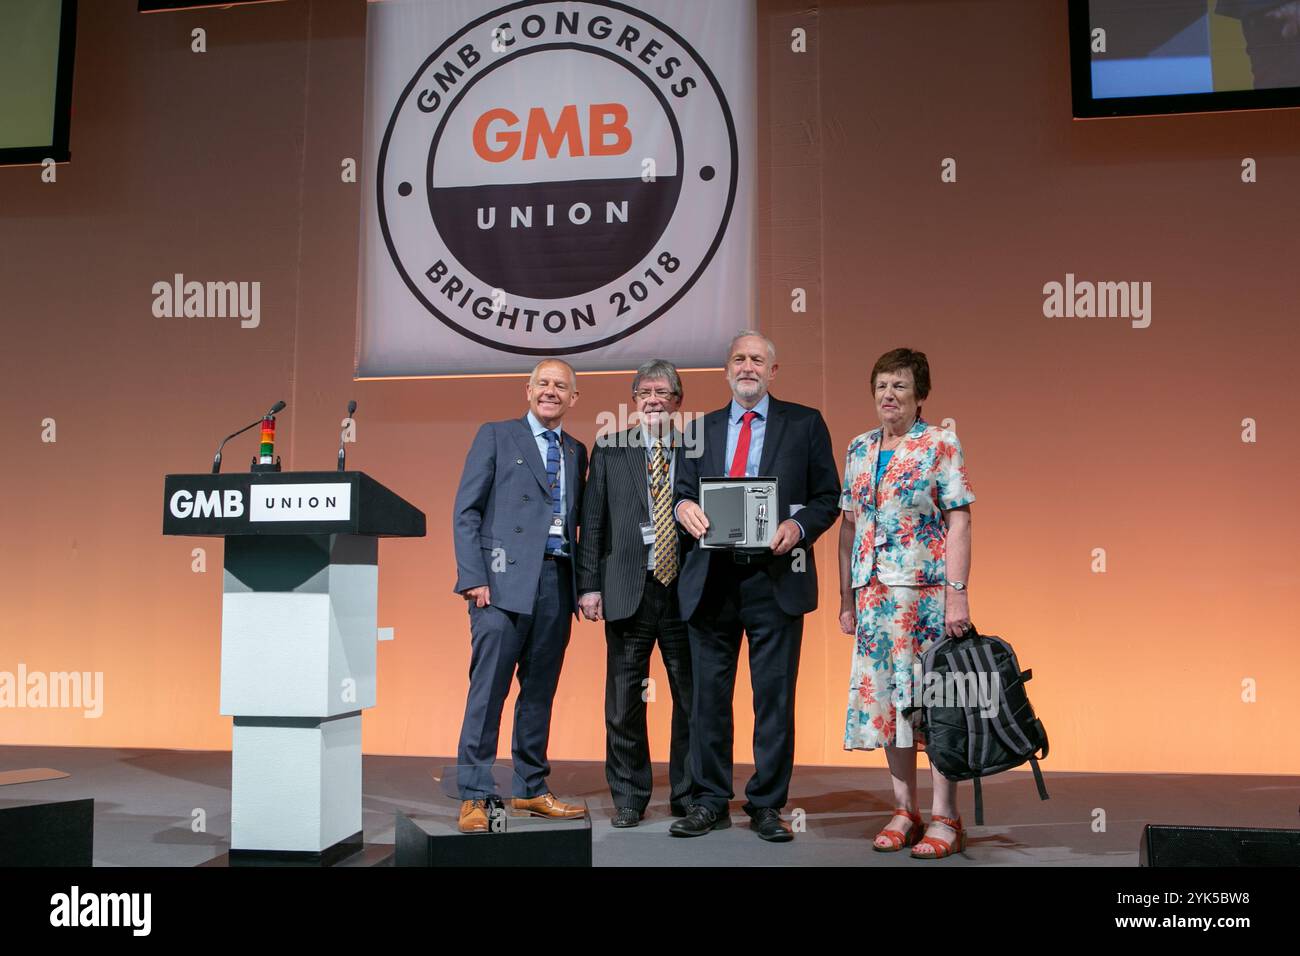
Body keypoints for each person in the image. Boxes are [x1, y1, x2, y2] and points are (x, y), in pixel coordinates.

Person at [670, 330, 841, 842]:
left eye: (758, 359)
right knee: (708, 701)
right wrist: (684, 509)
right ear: (727, 370)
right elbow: (680, 492)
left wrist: (800, 528)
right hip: (712, 580)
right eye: (739, 359)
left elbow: (828, 496)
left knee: (773, 699)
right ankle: (709, 800)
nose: (748, 367)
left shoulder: (805, 423)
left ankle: (766, 804)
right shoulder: (700, 428)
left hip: (775, 581)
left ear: (773, 371)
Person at [837, 348, 974, 859]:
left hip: (924, 599)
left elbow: (959, 519)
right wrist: (844, 597)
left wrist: (957, 595)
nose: (889, 396)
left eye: (899, 386)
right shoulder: (857, 447)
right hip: (872, 600)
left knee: (931, 705)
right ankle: (904, 811)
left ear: (920, 395)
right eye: (881, 387)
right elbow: (848, 527)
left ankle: (946, 817)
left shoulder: (940, 443)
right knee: (888, 706)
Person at [450, 359, 589, 833]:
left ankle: (530, 788)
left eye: (561, 386)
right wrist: (474, 576)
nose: (551, 391)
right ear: (527, 390)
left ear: (574, 398)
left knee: (539, 693)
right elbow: (466, 510)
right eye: (543, 383)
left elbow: (575, 522)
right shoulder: (495, 434)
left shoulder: (575, 450)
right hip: (499, 584)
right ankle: (474, 795)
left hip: (556, 581)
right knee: (488, 693)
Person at [576, 360, 694, 827]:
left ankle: (688, 794)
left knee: (691, 698)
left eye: (663, 392)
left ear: (678, 402)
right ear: (633, 399)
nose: (653, 399)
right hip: (629, 588)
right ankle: (629, 795)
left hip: (686, 593)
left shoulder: (695, 449)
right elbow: (593, 524)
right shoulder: (610, 448)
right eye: (644, 391)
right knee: (624, 700)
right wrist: (588, 585)